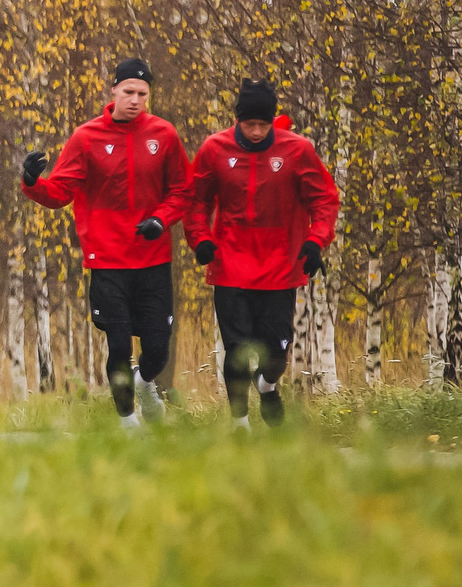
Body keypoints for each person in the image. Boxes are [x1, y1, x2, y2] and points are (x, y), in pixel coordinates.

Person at [22, 58, 193, 427]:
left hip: (152, 258)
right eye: (128, 92)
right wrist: (33, 182)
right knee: (117, 343)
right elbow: (60, 192)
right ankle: (126, 419)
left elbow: (182, 190)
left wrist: (161, 220)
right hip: (107, 260)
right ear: (113, 90)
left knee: (157, 349)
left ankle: (144, 383)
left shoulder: (163, 135)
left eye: (142, 94)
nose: (135, 100)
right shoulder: (87, 138)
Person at [184, 79, 340, 427]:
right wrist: (201, 240)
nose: (255, 131)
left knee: (276, 352)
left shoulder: (297, 151)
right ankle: (240, 424)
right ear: (237, 120)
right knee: (237, 351)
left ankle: (267, 386)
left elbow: (325, 200)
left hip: (280, 267)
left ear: (273, 121)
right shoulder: (214, 149)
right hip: (230, 265)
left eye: (263, 124)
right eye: (248, 124)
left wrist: (316, 242)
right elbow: (196, 202)